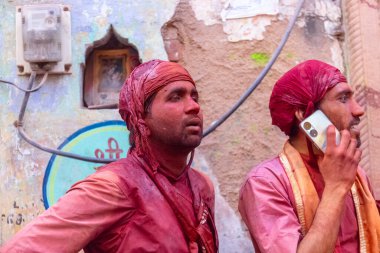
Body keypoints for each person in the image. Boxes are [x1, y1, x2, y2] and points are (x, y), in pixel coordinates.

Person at [1, 60, 218, 253]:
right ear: (140, 118)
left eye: (194, 96)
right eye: (176, 97)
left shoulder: (201, 186)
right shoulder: (112, 187)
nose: (194, 107)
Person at [238, 60, 380, 252]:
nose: (358, 110)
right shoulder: (265, 182)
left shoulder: (356, 174)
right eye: (343, 99)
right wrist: (336, 187)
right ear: (305, 114)